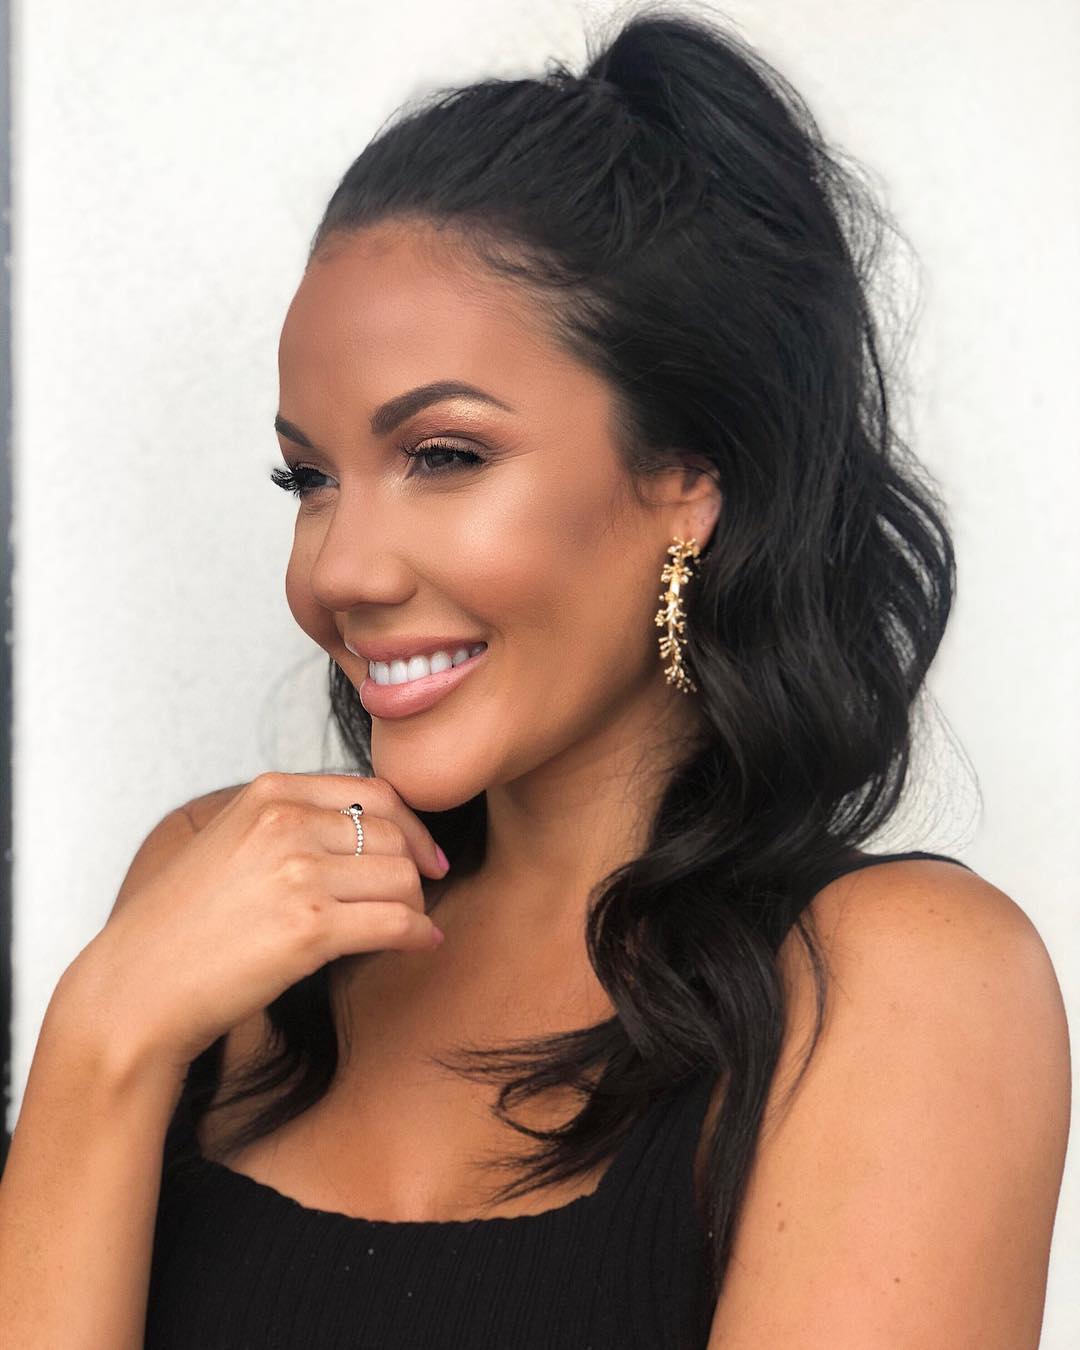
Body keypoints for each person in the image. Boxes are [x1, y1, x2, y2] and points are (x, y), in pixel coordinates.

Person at [0, 8, 1070, 1348]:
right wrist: (101, 1040)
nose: (342, 569)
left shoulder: (896, 983)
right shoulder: (215, 907)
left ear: (689, 480)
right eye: (309, 478)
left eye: (444, 456)